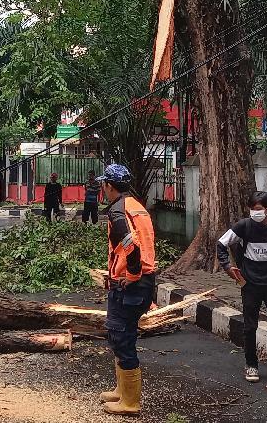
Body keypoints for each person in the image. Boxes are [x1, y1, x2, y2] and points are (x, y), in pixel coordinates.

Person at [216, 190, 267, 391]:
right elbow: (221, 244)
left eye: (259, 209)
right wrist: (228, 267)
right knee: (250, 326)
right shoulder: (243, 226)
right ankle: (251, 364)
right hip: (250, 284)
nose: (256, 213)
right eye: (252, 209)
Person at [97, 164, 155, 416]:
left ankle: (130, 403)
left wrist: (131, 274)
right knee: (119, 335)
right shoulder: (136, 206)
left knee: (122, 338)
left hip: (131, 284)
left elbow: (131, 246)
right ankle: (122, 391)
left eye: (103, 185)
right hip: (139, 281)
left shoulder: (118, 212)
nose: (102, 189)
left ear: (109, 186)